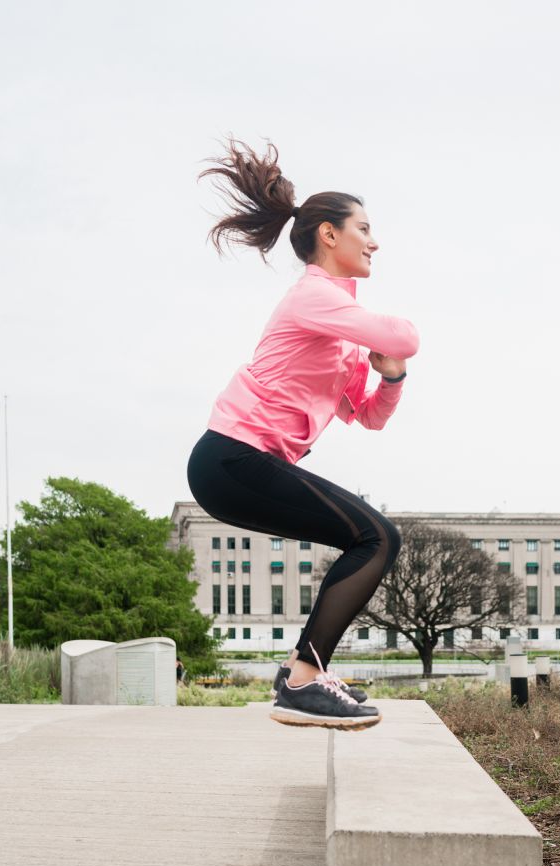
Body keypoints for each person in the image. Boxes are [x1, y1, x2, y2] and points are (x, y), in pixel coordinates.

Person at [186, 139, 419, 731]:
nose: (375, 241)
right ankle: (302, 677)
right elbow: (405, 335)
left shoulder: (338, 333)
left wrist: (390, 378)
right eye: (364, 228)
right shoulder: (314, 296)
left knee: (372, 539)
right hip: (233, 457)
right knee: (377, 538)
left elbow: (369, 415)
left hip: (243, 464)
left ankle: (303, 675)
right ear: (329, 235)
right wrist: (395, 344)